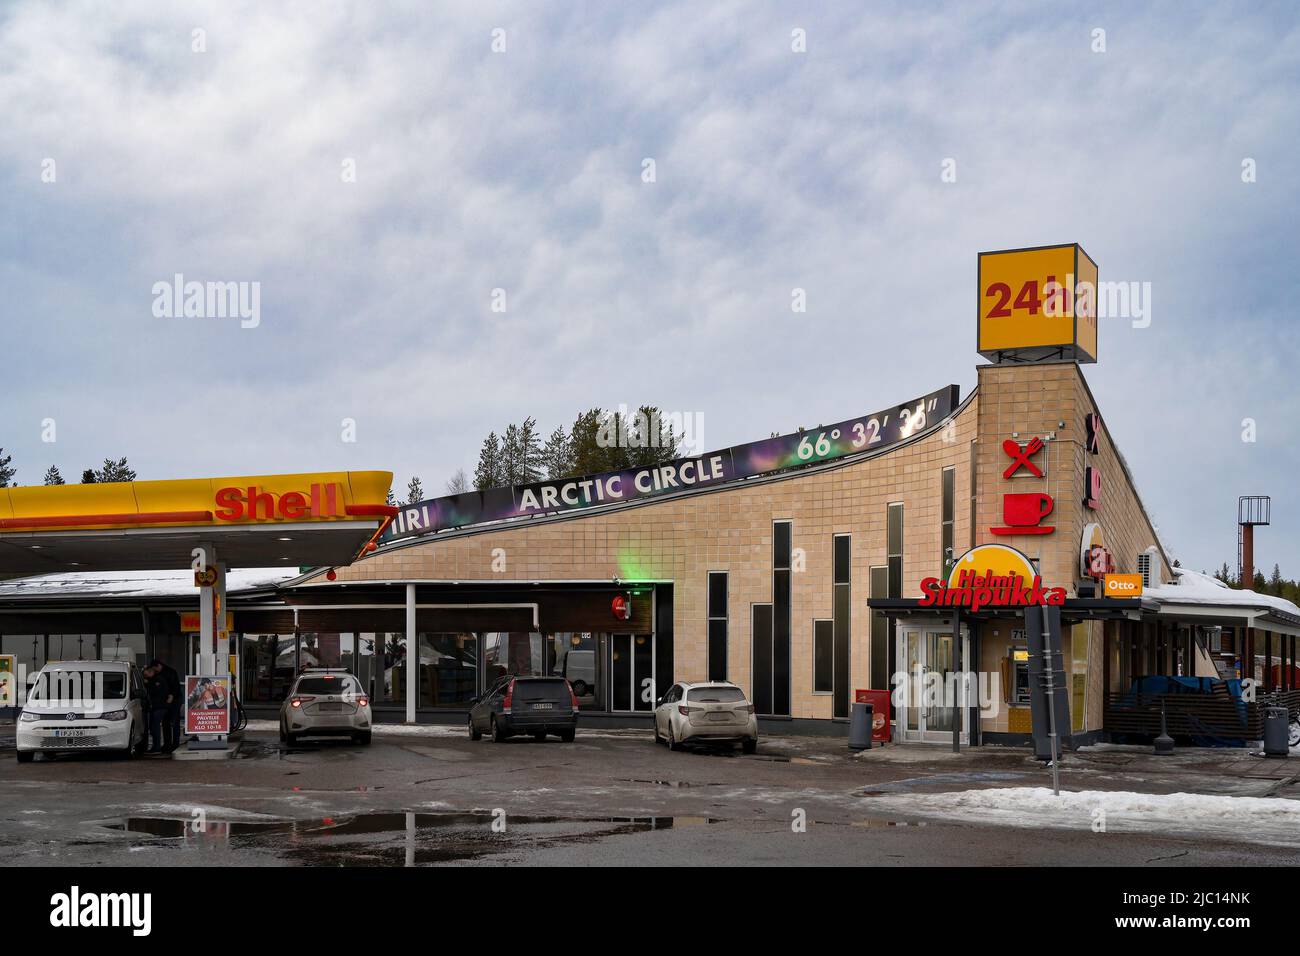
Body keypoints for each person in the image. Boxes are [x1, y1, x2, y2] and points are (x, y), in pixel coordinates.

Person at [151, 658, 183, 753]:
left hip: (175, 700)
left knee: (174, 722)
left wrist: (171, 696)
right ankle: (167, 744)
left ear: (159, 666)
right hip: (165, 701)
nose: (155, 671)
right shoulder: (160, 673)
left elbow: (175, 687)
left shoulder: (170, 672)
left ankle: (175, 744)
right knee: (166, 722)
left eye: (155, 669)